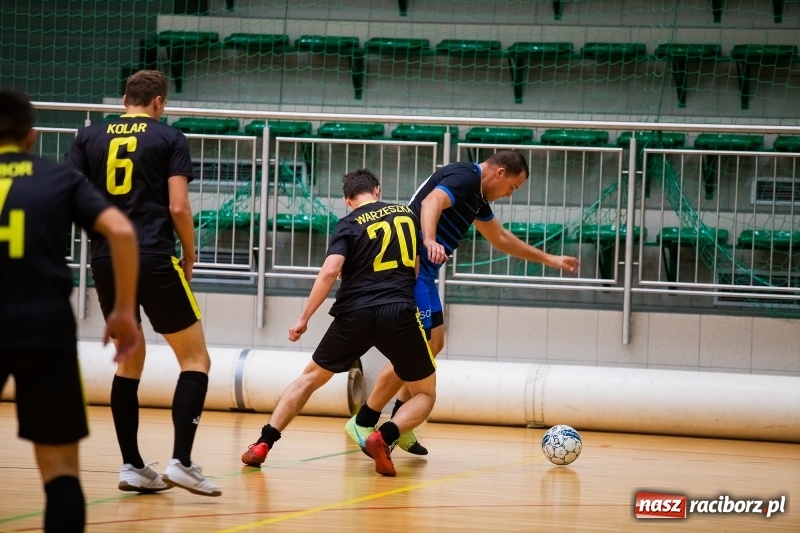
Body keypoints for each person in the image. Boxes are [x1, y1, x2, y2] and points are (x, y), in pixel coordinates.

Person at [346, 150, 580, 454]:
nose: (509, 195)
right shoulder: (465, 177)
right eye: (512, 187)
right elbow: (432, 202)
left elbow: (501, 238)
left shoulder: (477, 196)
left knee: (434, 344)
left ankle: (400, 425)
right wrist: (429, 239)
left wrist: (549, 259)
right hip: (410, 270)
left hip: (424, 275)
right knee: (414, 351)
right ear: (499, 173)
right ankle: (364, 420)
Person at [67, 70, 221, 497]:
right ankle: (183, 462)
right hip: (152, 254)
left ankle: (133, 465)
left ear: (124, 99)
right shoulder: (169, 138)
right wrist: (189, 253)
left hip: (106, 258)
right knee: (196, 361)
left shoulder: (88, 138)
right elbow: (178, 205)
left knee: (127, 364)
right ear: (158, 102)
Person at [0, 90, 141, 532]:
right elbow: (120, 230)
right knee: (61, 474)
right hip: (45, 326)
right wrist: (122, 311)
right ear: (31, 137)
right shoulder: (57, 177)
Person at [240, 168, 436, 477]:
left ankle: (263, 443)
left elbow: (331, 271)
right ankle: (382, 437)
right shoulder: (407, 215)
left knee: (309, 379)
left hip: (353, 314)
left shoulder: (348, 223)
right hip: (397, 310)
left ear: (347, 200)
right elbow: (412, 269)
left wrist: (304, 318)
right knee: (424, 394)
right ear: (378, 190)